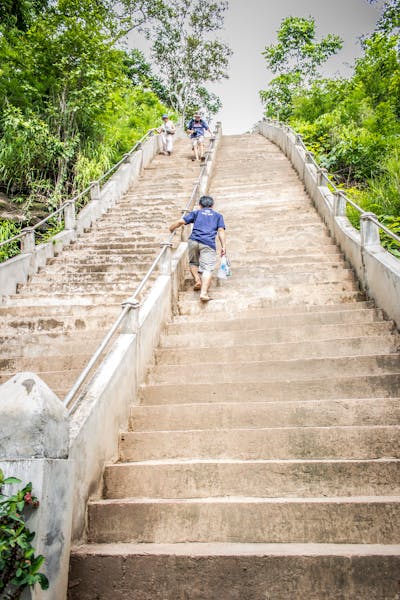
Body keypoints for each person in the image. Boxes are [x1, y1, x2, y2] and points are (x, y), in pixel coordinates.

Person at [169, 195, 226, 302]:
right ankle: (203, 293)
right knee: (207, 268)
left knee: (193, 262)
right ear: (212, 205)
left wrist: (171, 228)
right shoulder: (218, 216)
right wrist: (223, 246)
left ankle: (197, 279)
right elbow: (221, 231)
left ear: (200, 205)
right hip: (208, 243)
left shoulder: (196, 212)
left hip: (193, 241)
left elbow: (181, 222)